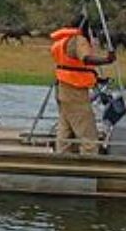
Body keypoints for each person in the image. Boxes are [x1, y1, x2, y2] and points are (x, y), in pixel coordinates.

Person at [49, 15, 115, 155]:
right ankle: (90, 160)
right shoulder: (79, 40)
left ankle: (61, 158)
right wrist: (106, 60)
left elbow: (75, 66)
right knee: (87, 131)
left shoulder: (64, 40)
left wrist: (96, 78)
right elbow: (86, 59)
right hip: (75, 91)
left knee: (65, 129)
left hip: (62, 89)